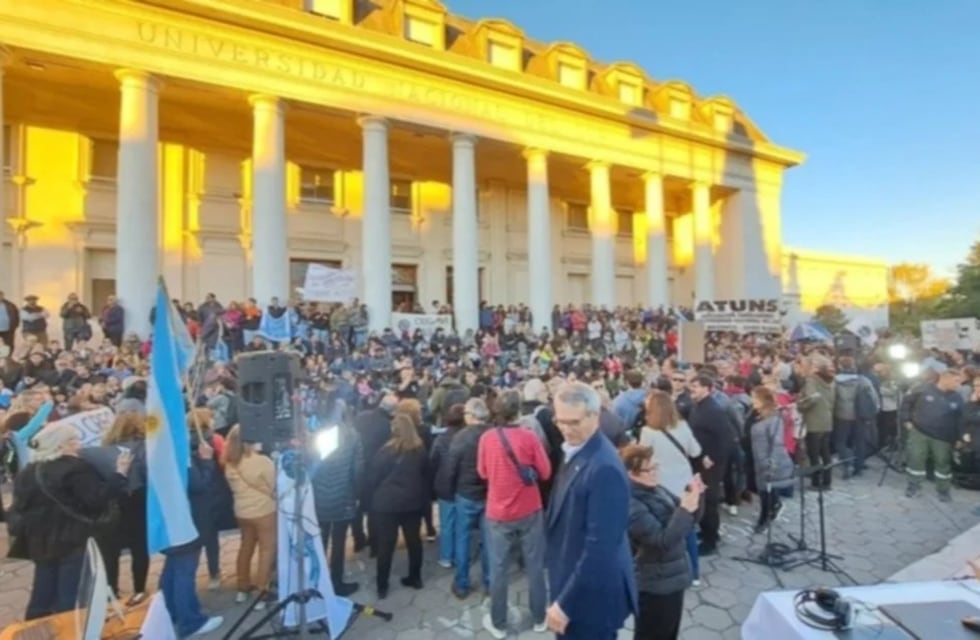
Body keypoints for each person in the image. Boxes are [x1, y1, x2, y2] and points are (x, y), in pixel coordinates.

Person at [8, 422, 131, 620]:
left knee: (43, 590)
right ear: (61, 445)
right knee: (71, 593)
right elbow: (96, 498)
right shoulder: (74, 469)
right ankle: (70, 628)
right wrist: (119, 475)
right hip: (72, 538)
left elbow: (20, 506)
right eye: (73, 440)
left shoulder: (28, 472)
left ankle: (38, 627)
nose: (78, 444)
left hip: (39, 539)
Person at [545, 381, 637, 639]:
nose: (565, 429)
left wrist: (565, 604)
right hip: (574, 581)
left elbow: (601, 548)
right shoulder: (577, 449)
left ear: (594, 415)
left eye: (573, 422)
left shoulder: (604, 467)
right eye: (559, 421)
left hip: (589, 601)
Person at [622, 443, 703, 640]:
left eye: (655, 467)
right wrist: (685, 509)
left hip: (672, 578)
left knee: (668, 633)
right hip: (654, 585)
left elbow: (689, 521)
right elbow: (662, 540)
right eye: (648, 470)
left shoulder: (656, 489)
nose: (654, 473)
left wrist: (696, 497)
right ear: (631, 473)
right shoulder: (631, 503)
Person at [638, 389, 703, 587]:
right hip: (684, 486)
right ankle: (695, 573)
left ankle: (670, 570)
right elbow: (696, 451)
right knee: (688, 529)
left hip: (663, 487)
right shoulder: (683, 426)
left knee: (669, 530)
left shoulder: (648, 432)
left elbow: (642, 459)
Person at [366, 413, 428, 599]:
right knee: (414, 541)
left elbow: (373, 477)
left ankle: (382, 586)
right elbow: (425, 475)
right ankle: (415, 578)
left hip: (387, 504)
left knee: (386, 545)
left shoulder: (385, 451)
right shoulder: (420, 450)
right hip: (412, 502)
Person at [223, 425, 277, 608]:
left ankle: (242, 586)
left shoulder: (229, 463)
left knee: (246, 547)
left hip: (241, 512)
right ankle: (262, 590)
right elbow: (273, 485)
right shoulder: (262, 461)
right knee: (266, 550)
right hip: (264, 511)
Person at [311, 418, 363, 597]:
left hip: (320, 497)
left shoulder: (316, 436)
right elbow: (358, 469)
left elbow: (311, 467)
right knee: (339, 543)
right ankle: (336, 583)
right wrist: (357, 494)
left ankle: (317, 581)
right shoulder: (352, 436)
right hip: (344, 496)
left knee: (321, 540)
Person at [748, 386, 795, 533]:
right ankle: (775, 505)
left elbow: (777, 443)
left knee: (765, 491)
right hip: (755, 456)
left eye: (755, 398)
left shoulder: (774, 418)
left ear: (763, 400)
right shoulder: (756, 413)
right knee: (763, 489)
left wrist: (771, 463)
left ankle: (765, 518)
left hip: (766, 460)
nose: (752, 401)